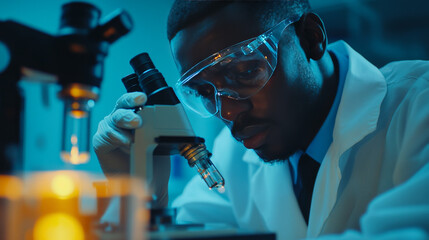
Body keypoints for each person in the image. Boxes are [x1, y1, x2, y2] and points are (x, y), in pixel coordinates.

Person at [93, 0, 429, 239]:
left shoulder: (418, 108)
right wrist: (140, 196)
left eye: (245, 70)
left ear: (311, 37)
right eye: (205, 92)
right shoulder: (234, 154)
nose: (227, 111)